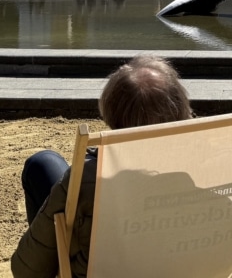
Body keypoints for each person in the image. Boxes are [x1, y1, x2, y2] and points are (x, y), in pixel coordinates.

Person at [11, 55, 193, 278]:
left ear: (111, 112)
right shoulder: (200, 167)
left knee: (41, 165)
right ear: (181, 108)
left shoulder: (90, 178)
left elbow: (27, 269)